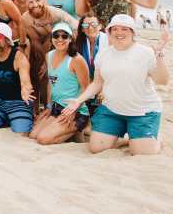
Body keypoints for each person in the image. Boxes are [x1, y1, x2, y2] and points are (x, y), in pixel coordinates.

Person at [62, 14, 168, 155]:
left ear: (133, 32)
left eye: (125, 29)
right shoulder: (103, 54)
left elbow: (162, 81)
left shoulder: (146, 52)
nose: (119, 32)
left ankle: (150, 140)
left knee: (141, 153)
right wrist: (78, 100)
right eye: (115, 29)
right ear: (109, 32)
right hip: (112, 110)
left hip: (142, 111)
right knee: (96, 148)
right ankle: (129, 138)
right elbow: (97, 83)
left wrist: (159, 54)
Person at [28, 22, 91, 145]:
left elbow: (86, 89)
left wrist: (73, 111)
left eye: (64, 36)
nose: (60, 39)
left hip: (75, 111)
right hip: (56, 108)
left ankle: (80, 127)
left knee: (43, 139)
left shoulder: (77, 60)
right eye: (56, 36)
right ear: (51, 39)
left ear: (70, 39)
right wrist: (49, 106)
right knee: (33, 135)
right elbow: (51, 84)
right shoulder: (49, 56)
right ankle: (70, 133)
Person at [21, 0, 80, 107]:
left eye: (38, 0)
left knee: (54, 73)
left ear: (44, 0)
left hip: (65, 43)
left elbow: (76, 27)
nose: (35, 5)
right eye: (30, 2)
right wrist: (44, 61)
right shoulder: (25, 18)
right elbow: (35, 41)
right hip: (43, 46)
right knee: (38, 71)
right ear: (26, 4)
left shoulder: (55, 14)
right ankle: (37, 106)